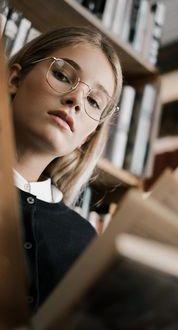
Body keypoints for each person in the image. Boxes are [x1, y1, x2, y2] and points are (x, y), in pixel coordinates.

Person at [7, 26, 123, 312]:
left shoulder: (83, 241)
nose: (75, 101)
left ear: (87, 136)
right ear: (14, 79)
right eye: (62, 76)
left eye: (94, 101)